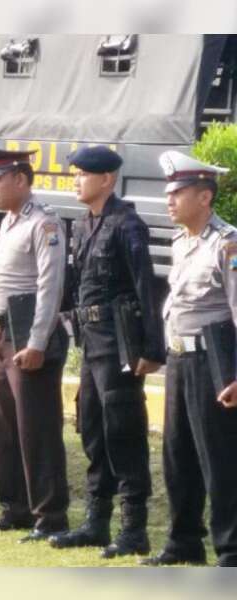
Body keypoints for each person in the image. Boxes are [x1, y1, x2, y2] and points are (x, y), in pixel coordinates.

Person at [50, 146, 164, 558]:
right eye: (75, 174)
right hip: (91, 341)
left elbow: (145, 287)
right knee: (94, 431)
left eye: (82, 174)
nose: (75, 181)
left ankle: (133, 528)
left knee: (124, 433)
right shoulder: (83, 225)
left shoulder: (125, 224)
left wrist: (152, 348)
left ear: (107, 179)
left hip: (119, 342)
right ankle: (96, 523)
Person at [141, 151, 237, 568]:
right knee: (177, 455)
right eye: (168, 192)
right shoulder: (182, 242)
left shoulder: (228, 244)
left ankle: (231, 552)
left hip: (212, 366)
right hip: (179, 362)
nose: (169, 200)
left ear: (204, 197)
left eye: (178, 192)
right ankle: (184, 541)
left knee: (218, 460)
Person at [0, 148, 70, 542]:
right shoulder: (8, 224)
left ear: (20, 179)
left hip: (26, 335)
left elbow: (50, 289)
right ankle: (13, 506)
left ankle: (49, 515)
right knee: (4, 426)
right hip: (1, 334)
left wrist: (37, 342)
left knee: (37, 428)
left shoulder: (43, 224)